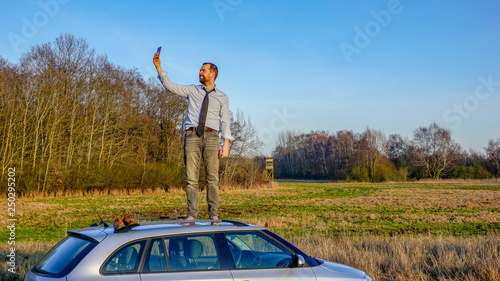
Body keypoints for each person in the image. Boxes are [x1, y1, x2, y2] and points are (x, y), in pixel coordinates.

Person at [153, 51, 233, 222]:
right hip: (192, 136)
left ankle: (214, 215)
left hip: (212, 137)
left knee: (212, 178)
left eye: (203, 70)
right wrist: (159, 68)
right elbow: (171, 86)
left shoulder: (223, 97)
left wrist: (225, 144)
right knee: (191, 178)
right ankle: (192, 215)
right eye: (199, 70)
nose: (199, 73)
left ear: (212, 74)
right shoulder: (192, 90)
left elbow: (225, 120)